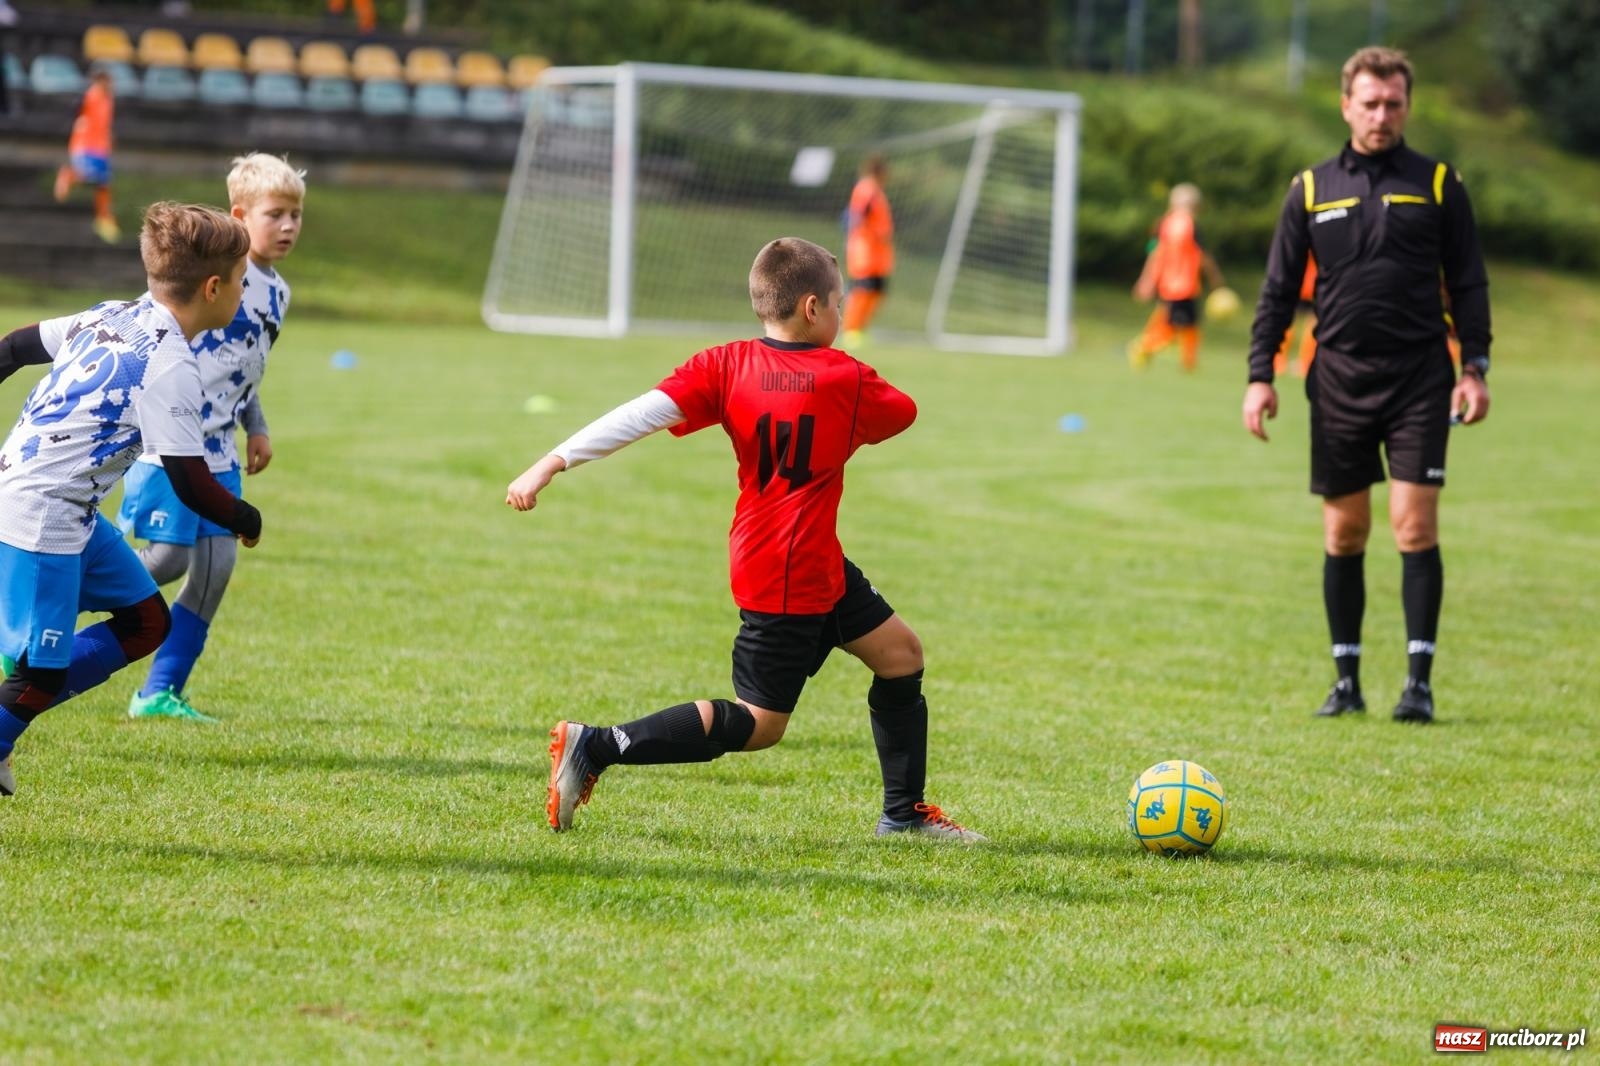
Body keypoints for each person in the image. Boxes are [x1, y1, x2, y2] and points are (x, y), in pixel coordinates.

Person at [506, 236, 984, 843]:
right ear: (812, 309)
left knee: (900, 656)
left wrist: (551, 461)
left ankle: (904, 816)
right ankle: (595, 746)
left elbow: (640, 414)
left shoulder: (725, 365)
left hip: (800, 557)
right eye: (839, 304)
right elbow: (903, 411)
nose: (842, 316)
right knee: (760, 725)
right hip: (789, 573)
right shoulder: (847, 376)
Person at [1242, 46, 1491, 724]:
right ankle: (1346, 682)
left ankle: (1419, 685)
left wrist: (1475, 368)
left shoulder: (1439, 184)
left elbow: (1468, 282)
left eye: (1393, 104)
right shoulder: (1312, 188)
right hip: (1339, 380)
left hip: (1419, 380)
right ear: (1346, 104)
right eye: (1370, 102)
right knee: (1345, 533)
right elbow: (1277, 292)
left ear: (1407, 107)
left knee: (1414, 526)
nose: (1382, 114)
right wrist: (1260, 376)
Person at [0, 203, 264, 796]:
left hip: (67, 509)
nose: (245, 292)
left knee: (147, 621)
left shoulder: (111, 315)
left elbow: (14, 347)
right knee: (40, 674)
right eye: (243, 281)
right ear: (214, 286)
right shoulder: (171, 367)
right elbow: (189, 480)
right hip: (43, 515)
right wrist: (245, 517)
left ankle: (14, 697)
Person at [119, 155, 303, 722]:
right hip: (170, 446)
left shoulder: (277, 293)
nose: (290, 225)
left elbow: (244, 367)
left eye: (297, 214)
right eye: (277, 214)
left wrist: (259, 425)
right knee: (170, 560)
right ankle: (38, 613)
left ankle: (159, 692)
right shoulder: (213, 278)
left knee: (216, 569)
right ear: (240, 215)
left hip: (222, 449)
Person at [1128, 183, 1226, 372]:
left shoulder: (1162, 224)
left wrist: (1146, 280)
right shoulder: (1191, 225)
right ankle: (1143, 347)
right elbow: (1204, 256)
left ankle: (1189, 362)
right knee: (1174, 327)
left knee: (1189, 325)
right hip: (1183, 286)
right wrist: (1216, 278)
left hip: (1169, 285)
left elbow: (1153, 253)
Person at [53, 66, 120, 244]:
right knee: (89, 176)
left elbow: (104, 122)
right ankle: (68, 175)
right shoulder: (90, 96)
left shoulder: (108, 99)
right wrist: (80, 121)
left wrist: (109, 137)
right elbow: (75, 111)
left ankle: (103, 218)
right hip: (86, 145)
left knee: (104, 183)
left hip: (101, 148)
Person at [842, 155, 893, 347]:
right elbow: (858, 215)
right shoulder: (867, 189)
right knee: (862, 291)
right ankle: (851, 330)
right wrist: (868, 234)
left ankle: (861, 329)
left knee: (877, 292)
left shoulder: (877, 191)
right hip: (865, 253)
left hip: (879, 254)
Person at [1273, 257, 1319, 378]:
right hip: (1315, 283)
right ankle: (1302, 363)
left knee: (1293, 320)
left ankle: (1281, 360)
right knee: (1312, 321)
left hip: (1302, 282)